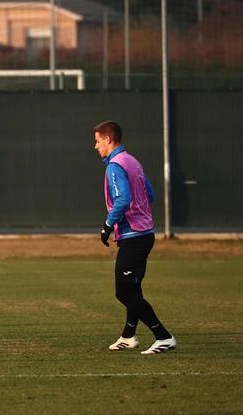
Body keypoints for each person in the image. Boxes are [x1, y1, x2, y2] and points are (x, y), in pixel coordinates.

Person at [94, 120, 176, 355]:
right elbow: (149, 193)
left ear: (109, 139)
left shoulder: (115, 165)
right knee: (133, 288)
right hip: (145, 233)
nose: (95, 145)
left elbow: (122, 200)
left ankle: (164, 336)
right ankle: (128, 336)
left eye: (98, 140)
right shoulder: (132, 161)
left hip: (134, 236)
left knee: (124, 292)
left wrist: (107, 225)